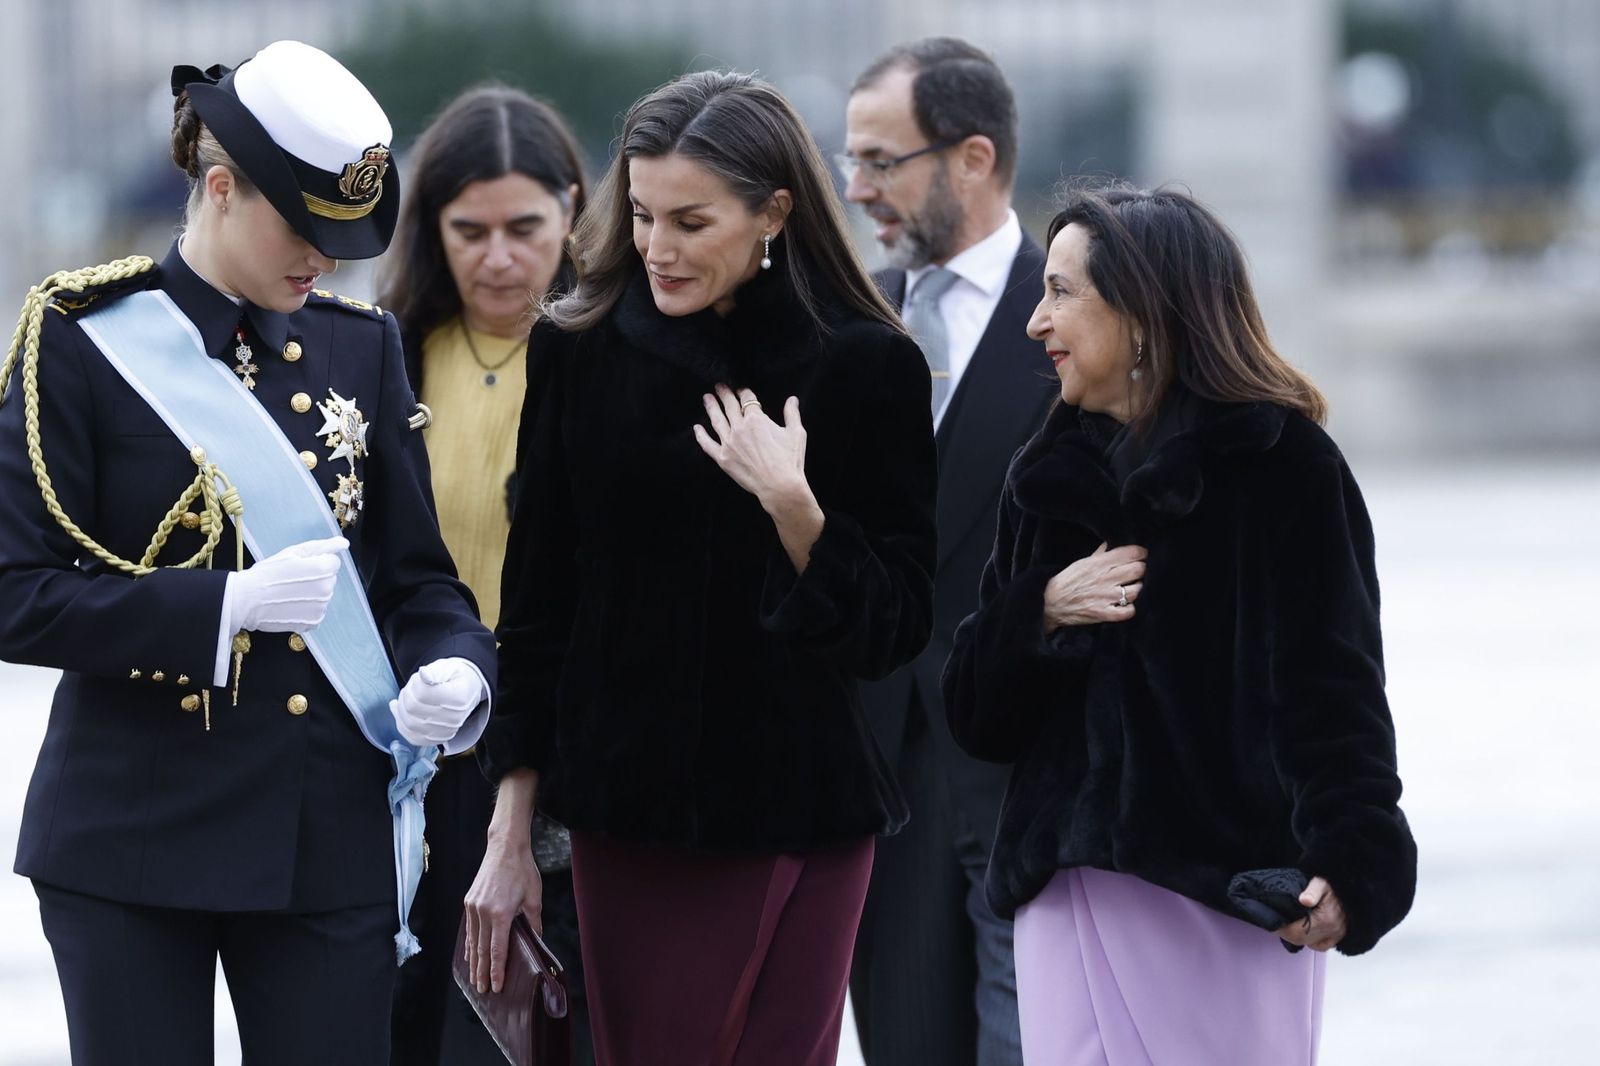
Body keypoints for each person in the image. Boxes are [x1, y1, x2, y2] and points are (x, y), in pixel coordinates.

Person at [0, 41, 496, 1065]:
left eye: (345, 232)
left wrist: (456, 664)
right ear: (219, 188)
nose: (327, 256)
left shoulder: (363, 345)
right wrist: (220, 608)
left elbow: (416, 581)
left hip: (322, 837)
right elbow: (14, 594)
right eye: (306, 226)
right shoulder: (81, 338)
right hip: (131, 830)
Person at [462, 70, 938, 1066]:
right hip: (636, 820)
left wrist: (797, 510)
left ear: (773, 211)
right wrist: (511, 830)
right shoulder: (579, 349)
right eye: (639, 215)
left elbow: (895, 625)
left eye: (690, 220)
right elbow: (539, 606)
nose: (656, 247)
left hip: (808, 807)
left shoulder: (866, 364)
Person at [942, 182, 1418, 1064]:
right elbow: (975, 716)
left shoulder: (1285, 466)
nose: (1035, 323)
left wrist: (1356, 870)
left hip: (1223, 899)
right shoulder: (1044, 475)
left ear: (1146, 310)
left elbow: (1336, 693)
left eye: (1061, 292)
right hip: (1067, 889)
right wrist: (1040, 611)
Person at [840, 37, 1051, 1066]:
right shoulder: (848, 321)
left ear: (973, 157)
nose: (855, 187)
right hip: (883, 788)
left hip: (1040, 778)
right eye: (853, 160)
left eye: (882, 161)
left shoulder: (1087, 312)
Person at [378, 84, 594, 1066]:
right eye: (469, 229)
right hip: (403, 749)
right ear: (430, 228)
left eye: (524, 227)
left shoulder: (605, 359)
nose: (498, 257)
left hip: (552, 755)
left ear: (575, 213)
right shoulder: (383, 355)